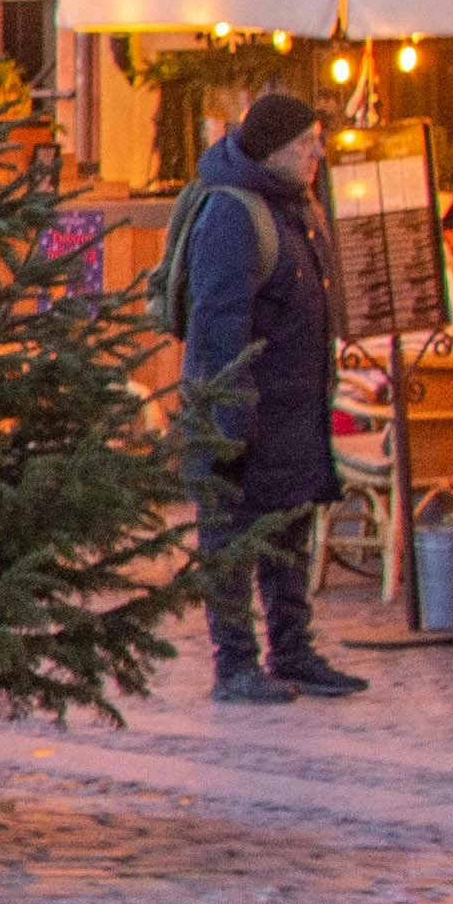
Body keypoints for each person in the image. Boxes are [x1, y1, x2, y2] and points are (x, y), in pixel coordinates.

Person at [173, 87, 361, 702]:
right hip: (246, 413)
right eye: (307, 143)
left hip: (294, 408)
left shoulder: (291, 204)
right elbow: (217, 323)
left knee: (289, 528)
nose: (318, 154)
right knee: (231, 537)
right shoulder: (235, 214)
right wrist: (226, 422)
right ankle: (235, 664)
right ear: (275, 149)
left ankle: (292, 649)